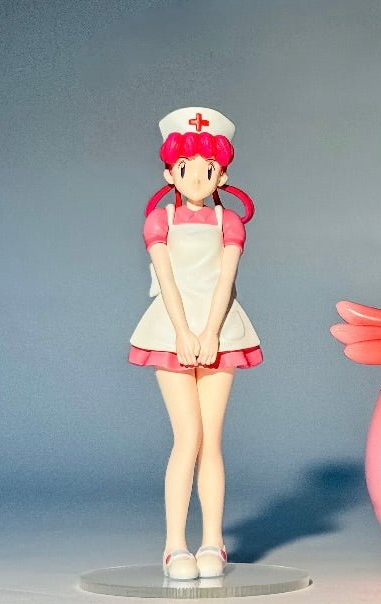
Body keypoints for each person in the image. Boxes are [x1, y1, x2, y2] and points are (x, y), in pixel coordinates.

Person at [129, 107, 261, 579]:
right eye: (185, 167)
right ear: (170, 173)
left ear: (222, 175)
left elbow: (226, 280)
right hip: (171, 331)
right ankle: (174, 545)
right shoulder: (159, 221)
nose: (198, 177)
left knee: (211, 441)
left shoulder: (230, 223)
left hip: (221, 331)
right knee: (187, 437)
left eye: (209, 169)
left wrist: (210, 333)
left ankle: (212, 542)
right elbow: (166, 281)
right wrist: (184, 333)